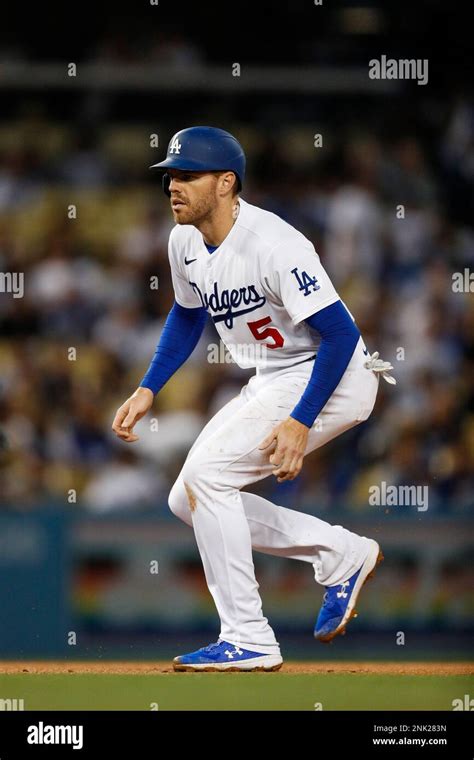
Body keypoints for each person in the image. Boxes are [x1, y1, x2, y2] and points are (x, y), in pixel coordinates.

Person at [112, 126, 395, 672]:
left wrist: (299, 422)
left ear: (226, 183)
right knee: (185, 498)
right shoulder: (184, 240)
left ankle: (248, 636)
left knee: (208, 477)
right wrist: (150, 386)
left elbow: (338, 336)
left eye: (187, 176)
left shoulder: (275, 244)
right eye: (170, 175)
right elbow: (189, 312)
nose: (173, 186)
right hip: (274, 373)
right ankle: (341, 554)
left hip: (333, 372)